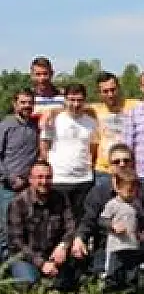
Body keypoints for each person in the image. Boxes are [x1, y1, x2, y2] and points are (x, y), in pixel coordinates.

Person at [71, 144, 144, 275]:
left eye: (126, 160)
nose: (122, 164)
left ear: (134, 163)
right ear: (109, 166)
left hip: (138, 245)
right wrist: (79, 238)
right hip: (107, 246)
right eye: (116, 162)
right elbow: (89, 220)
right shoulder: (99, 191)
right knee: (106, 276)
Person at [4, 161, 79, 291]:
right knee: (29, 285)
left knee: (68, 283)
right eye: (39, 177)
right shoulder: (18, 203)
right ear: (30, 179)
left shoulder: (61, 198)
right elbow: (16, 242)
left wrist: (63, 246)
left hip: (53, 255)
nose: (44, 181)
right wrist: (42, 263)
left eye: (48, 177)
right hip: (25, 257)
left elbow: (71, 227)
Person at [40, 83, 98, 221]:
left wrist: (90, 167)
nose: (76, 104)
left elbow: (93, 149)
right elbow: (44, 147)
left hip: (83, 180)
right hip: (59, 179)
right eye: (72, 99)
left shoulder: (92, 122)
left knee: (80, 221)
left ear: (85, 100)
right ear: (65, 99)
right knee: (57, 222)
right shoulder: (53, 120)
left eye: (79, 100)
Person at [98, 168, 144, 294]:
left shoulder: (136, 204)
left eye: (134, 190)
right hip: (116, 247)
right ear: (118, 188)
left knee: (132, 273)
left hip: (133, 246)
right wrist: (113, 226)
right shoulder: (112, 204)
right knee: (113, 274)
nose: (131, 193)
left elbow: (140, 221)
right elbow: (102, 220)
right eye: (128, 190)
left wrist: (142, 233)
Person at [0, 90, 40, 261]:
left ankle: (21, 264)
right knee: (5, 226)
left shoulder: (34, 126)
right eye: (23, 102)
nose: (27, 106)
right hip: (8, 186)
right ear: (15, 104)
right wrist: (9, 177)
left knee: (26, 226)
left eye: (30, 102)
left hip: (28, 187)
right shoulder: (6, 125)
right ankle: (4, 267)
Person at [89, 72, 139, 189]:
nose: (110, 94)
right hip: (103, 171)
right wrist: (51, 112)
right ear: (99, 93)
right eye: (105, 91)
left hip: (128, 169)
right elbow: (70, 105)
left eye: (113, 90)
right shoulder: (94, 110)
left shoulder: (135, 105)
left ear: (119, 88)